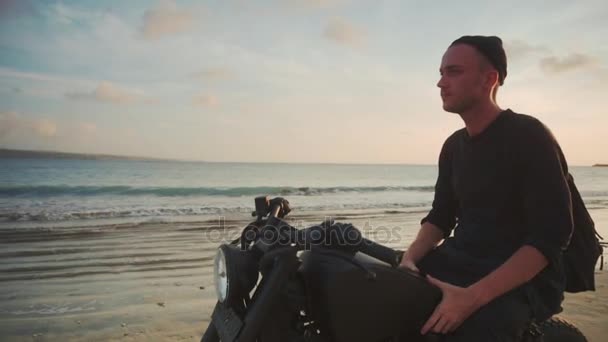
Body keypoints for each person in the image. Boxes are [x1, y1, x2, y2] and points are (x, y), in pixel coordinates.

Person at [399, 35, 574, 341]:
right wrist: (410, 258)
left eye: (453, 72)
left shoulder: (529, 135)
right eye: (441, 73)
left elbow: (552, 235)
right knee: (381, 297)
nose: (441, 83)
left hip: (521, 277)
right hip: (460, 259)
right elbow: (441, 216)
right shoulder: (453, 147)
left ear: (489, 79)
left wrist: (472, 298)